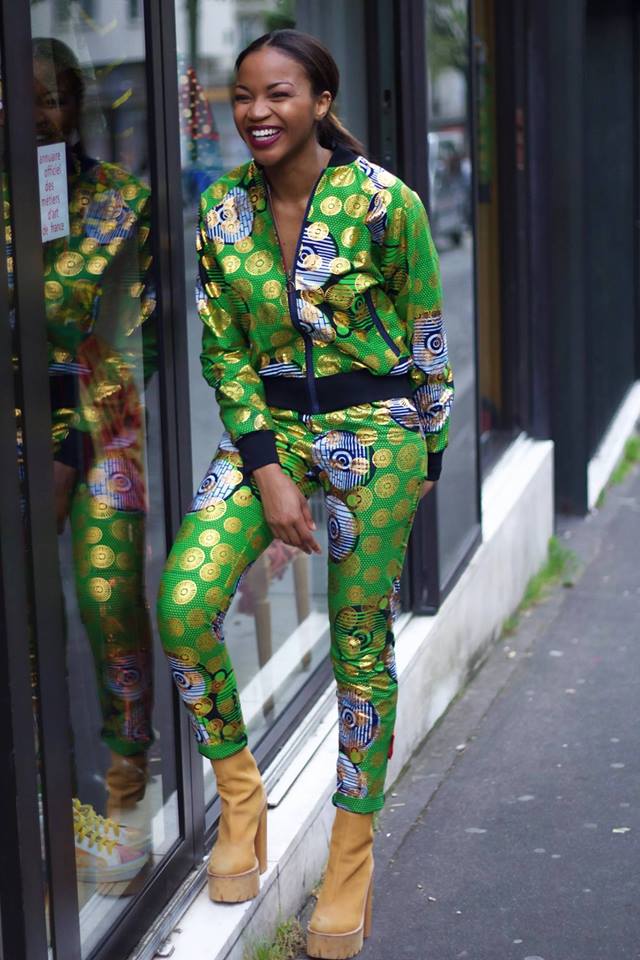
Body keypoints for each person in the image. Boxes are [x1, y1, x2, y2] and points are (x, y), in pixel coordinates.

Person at [157, 28, 454, 959]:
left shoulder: (384, 202)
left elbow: (427, 333)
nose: (256, 111)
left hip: (379, 433)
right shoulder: (222, 212)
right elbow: (222, 351)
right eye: (244, 94)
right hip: (270, 433)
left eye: (278, 93)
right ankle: (241, 797)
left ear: (320, 102)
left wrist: (429, 457)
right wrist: (267, 469)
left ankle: (349, 859)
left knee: (358, 639)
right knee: (184, 607)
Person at [28, 38, 157, 888]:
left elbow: (134, 335)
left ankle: (125, 795)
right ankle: (45, 806)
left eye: (49, 96)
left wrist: (71, 446)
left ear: (77, 105)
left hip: (101, 420)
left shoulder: (120, 202)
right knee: (25, 615)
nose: (32, 115)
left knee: (108, 596)